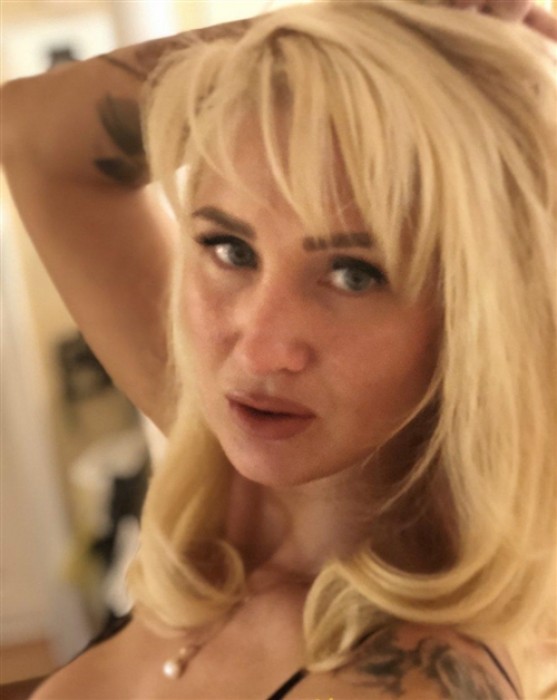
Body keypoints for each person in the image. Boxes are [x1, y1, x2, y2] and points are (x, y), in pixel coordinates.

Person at [1, 0, 556, 698]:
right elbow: (32, 134)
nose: (258, 350)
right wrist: (371, 21)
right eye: (230, 249)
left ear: (478, 319)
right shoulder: (243, 474)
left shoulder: (411, 678)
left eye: (355, 276)